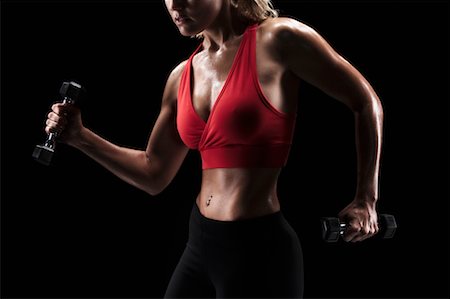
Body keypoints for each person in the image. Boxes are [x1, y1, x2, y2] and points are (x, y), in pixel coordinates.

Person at [44, 0, 384, 298]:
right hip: (201, 244)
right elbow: (153, 173)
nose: (175, 5)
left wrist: (366, 198)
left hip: (259, 251)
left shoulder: (278, 38)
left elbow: (365, 101)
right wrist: (80, 137)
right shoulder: (181, 76)